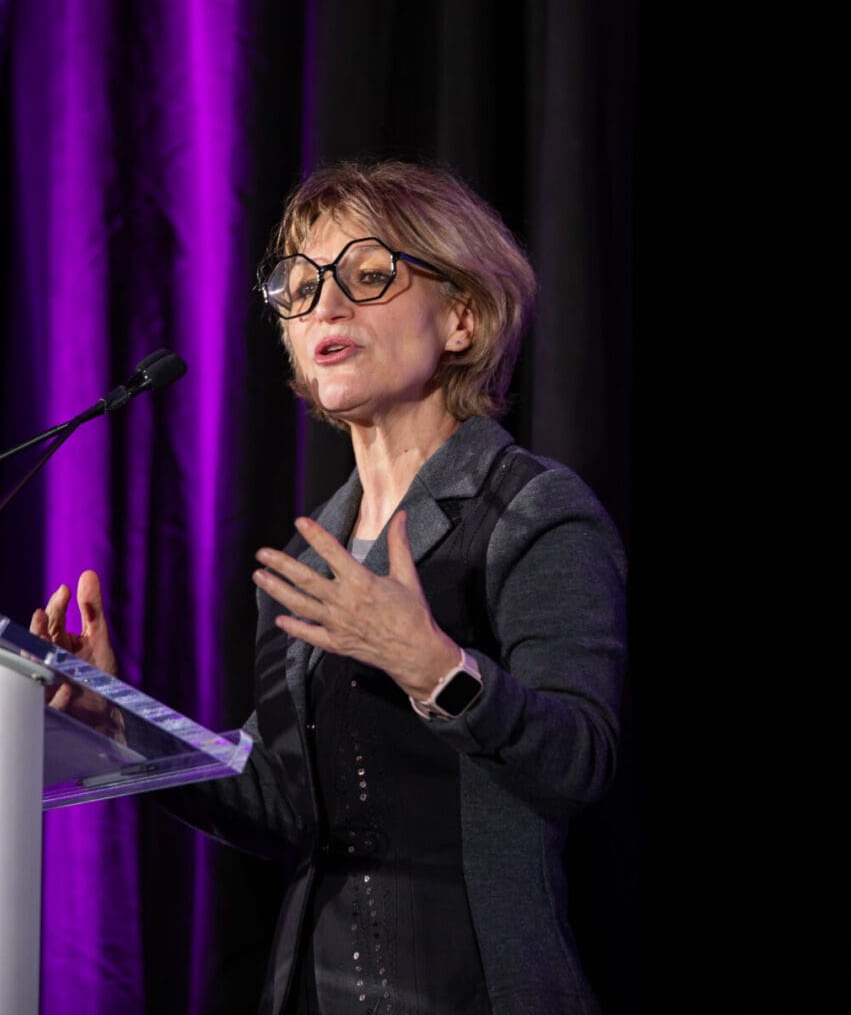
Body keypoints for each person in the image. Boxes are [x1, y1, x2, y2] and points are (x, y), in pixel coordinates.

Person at [32, 159, 627, 1014]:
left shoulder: (532, 511)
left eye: (369, 275)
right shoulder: (307, 564)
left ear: (462, 317)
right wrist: (115, 717)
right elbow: (282, 805)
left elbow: (581, 761)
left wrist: (436, 668)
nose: (325, 305)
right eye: (301, 286)